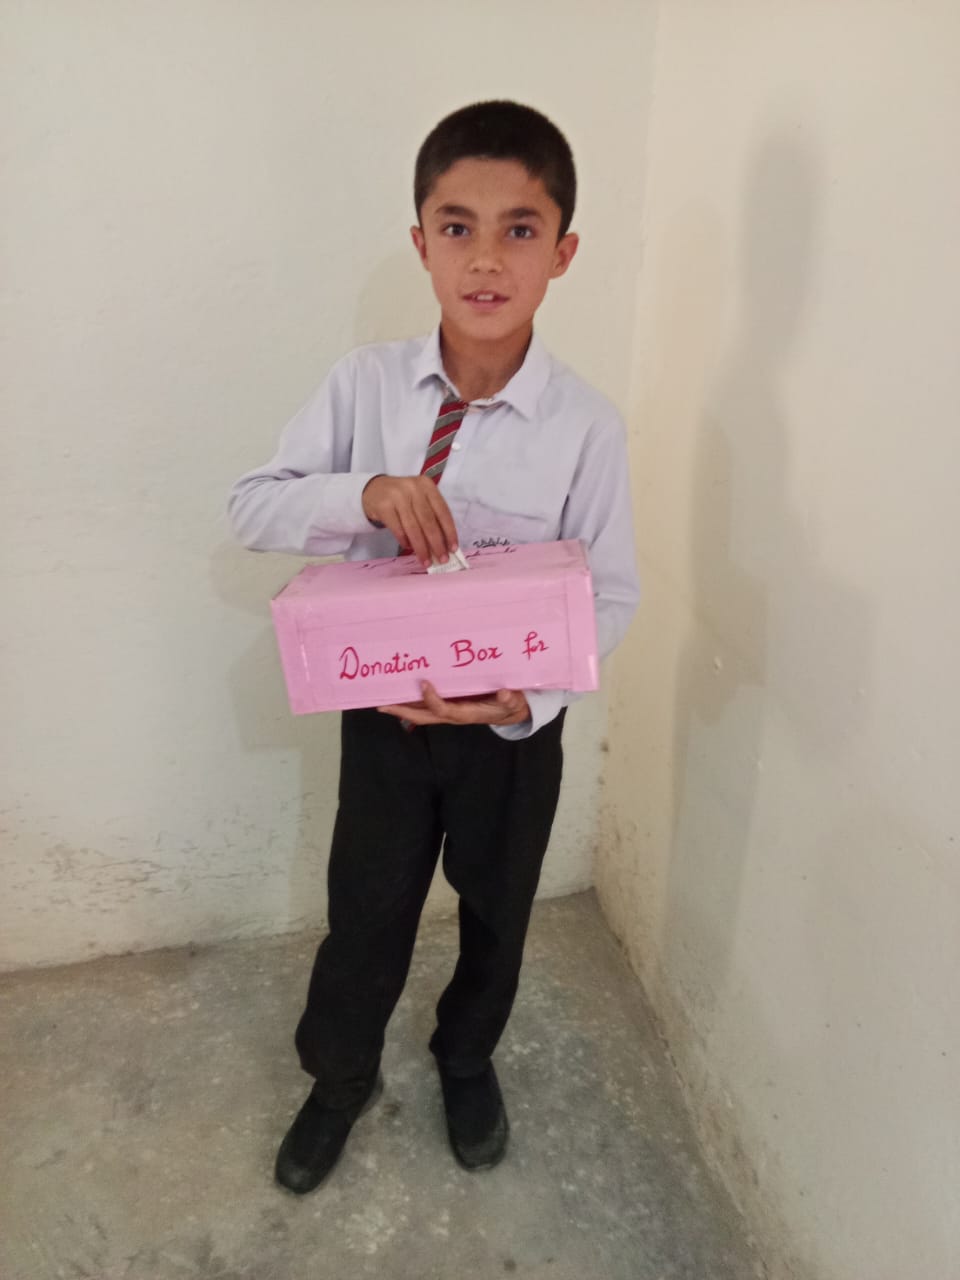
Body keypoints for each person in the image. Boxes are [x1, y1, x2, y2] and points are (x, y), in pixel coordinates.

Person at [227, 100, 639, 1195]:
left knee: (499, 910)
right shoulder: (364, 387)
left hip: (511, 729)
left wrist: (524, 698)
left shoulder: (587, 426)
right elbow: (251, 505)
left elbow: (612, 593)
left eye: (520, 228)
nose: (486, 258)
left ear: (563, 252)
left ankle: (466, 1057)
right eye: (458, 227)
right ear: (421, 243)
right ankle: (339, 1075)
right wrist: (362, 492)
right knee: (367, 906)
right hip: (388, 717)